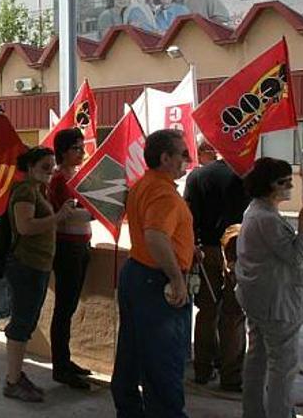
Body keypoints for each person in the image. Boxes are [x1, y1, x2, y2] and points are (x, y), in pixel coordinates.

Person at [111, 129, 194, 417]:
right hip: (156, 280)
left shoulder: (145, 184)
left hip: (138, 273)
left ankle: (129, 410)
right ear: (165, 158)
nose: (189, 158)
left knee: (132, 352)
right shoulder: (163, 193)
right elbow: (156, 236)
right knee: (164, 359)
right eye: (183, 153)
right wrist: (175, 278)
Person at [236, 157, 303, 418]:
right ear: (271, 185)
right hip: (276, 305)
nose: (290, 187)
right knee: (282, 369)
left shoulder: (256, 211)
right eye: (285, 182)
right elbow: (294, 257)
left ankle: (255, 412)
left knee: (257, 361)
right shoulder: (266, 218)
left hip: (261, 302)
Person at [3, 147, 75, 403]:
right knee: (22, 323)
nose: (51, 170)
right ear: (31, 167)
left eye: (52, 165)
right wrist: (58, 217)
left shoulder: (36, 190)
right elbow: (25, 226)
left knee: (26, 322)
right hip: (26, 265)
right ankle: (12, 381)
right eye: (45, 166)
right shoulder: (25, 190)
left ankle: (16, 376)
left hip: (37, 265)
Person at [183, 139, 249, 391]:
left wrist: (193, 246)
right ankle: (231, 376)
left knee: (206, 312)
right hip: (237, 249)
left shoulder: (198, 176)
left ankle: (202, 369)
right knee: (233, 314)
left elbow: (189, 217)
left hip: (206, 250)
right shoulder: (246, 175)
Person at [47, 128, 93, 389]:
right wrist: (97, 213)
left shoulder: (79, 176)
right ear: (63, 151)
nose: (82, 152)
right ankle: (60, 366)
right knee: (64, 308)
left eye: (82, 147)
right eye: (77, 148)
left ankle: (65, 359)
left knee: (70, 306)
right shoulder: (58, 179)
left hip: (82, 245)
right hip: (67, 248)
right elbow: (66, 214)